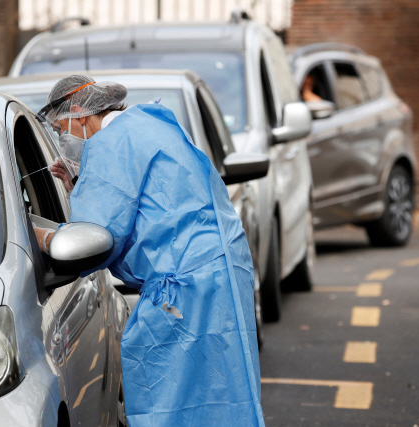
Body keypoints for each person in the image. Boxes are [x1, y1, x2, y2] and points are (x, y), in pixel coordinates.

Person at [34, 75, 265, 427]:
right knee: (227, 397)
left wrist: (41, 236)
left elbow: (97, 236)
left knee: (175, 405)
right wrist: (83, 181)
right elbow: (144, 202)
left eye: (60, 128)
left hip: (186, 291)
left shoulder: (110, 144)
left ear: (79, 114)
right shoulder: (149, 123)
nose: (61, 140)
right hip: (223, 273)